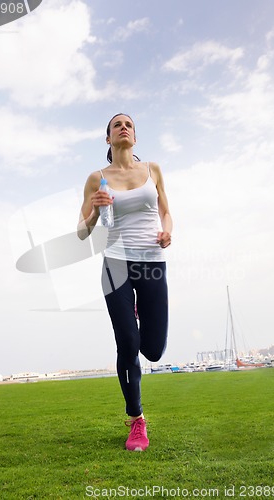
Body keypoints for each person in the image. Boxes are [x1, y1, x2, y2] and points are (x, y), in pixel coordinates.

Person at [77, 113, 172, 451]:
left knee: (154, 349)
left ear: (135, 136)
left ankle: (137, 309)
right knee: (128, 343)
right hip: (115, 263)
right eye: (117, 125)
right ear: (108, 139)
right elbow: (81, 231)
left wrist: (167, 233)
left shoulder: (153, 170)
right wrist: (93, 211)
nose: (123, 127)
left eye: (128, 124)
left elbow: (166, 211)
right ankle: (137, 420)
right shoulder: (96, 179)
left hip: (152, 263)